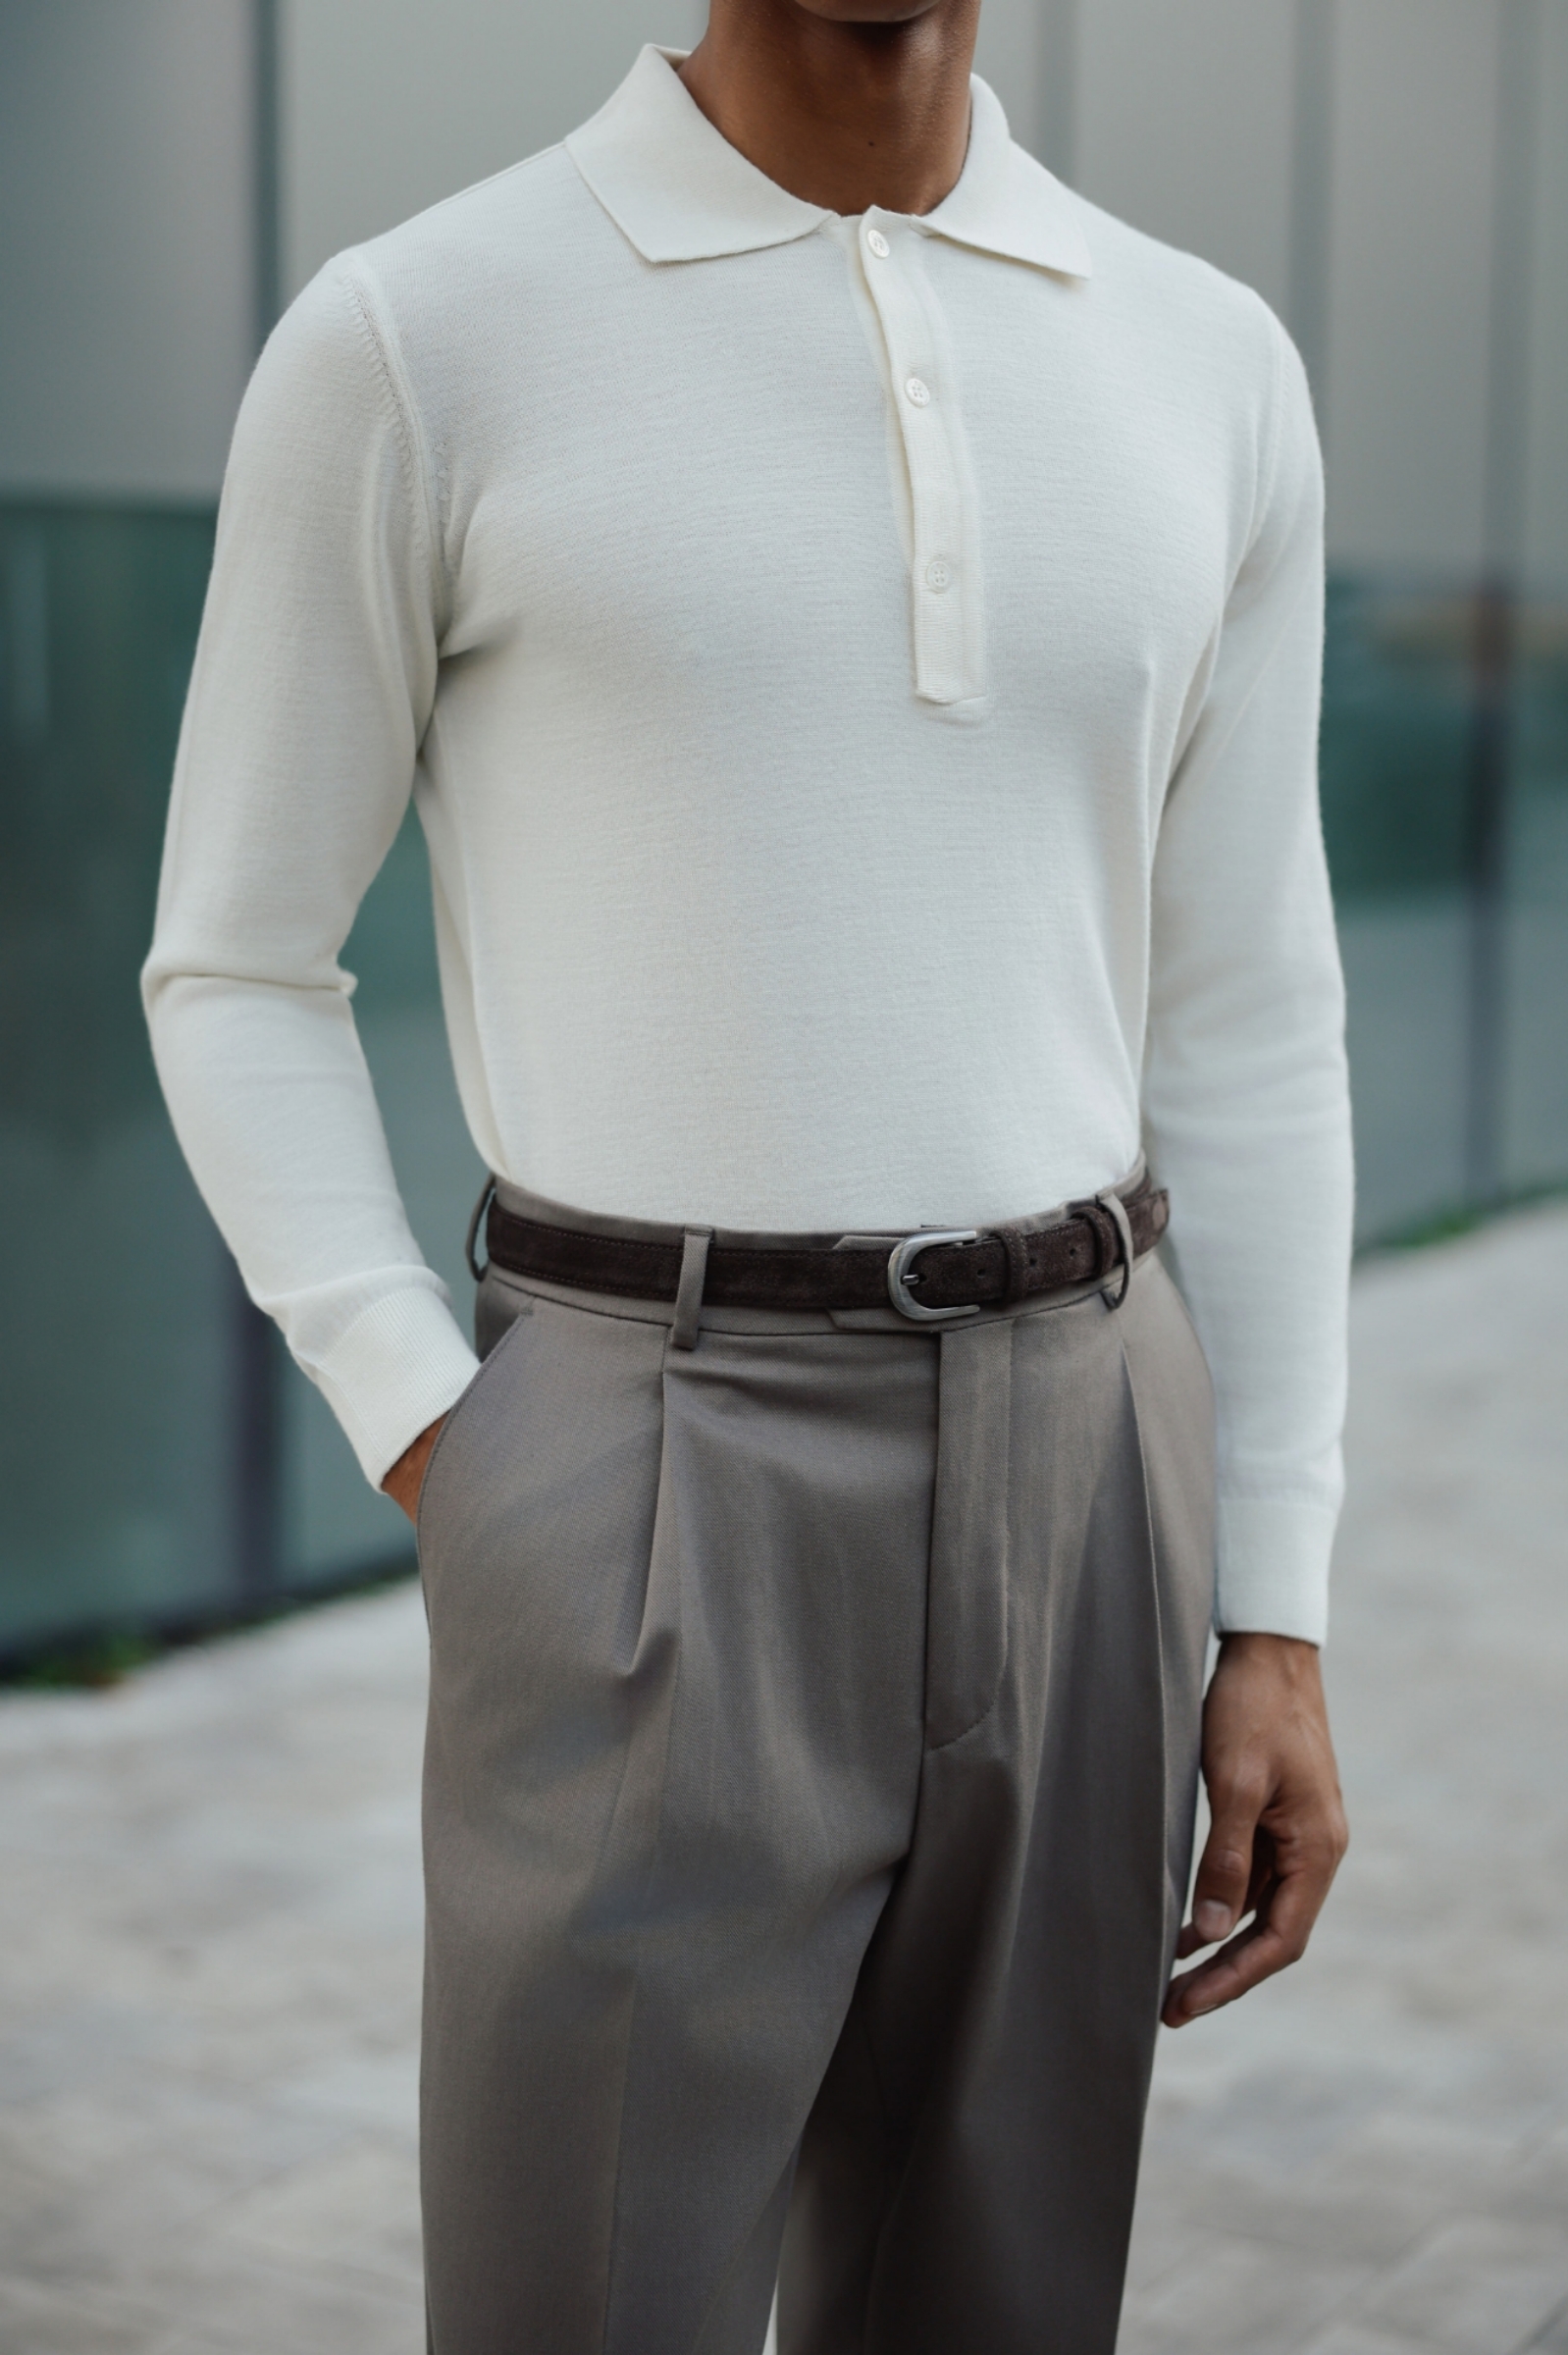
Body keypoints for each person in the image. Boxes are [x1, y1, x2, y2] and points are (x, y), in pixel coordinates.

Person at [143, 1, 1352, 2346]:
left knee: (1002, 2305)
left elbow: (1251, 1014)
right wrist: (451, 1438)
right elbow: (237, 960)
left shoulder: (1210, 361)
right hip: (648, 1454)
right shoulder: (417, 333)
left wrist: (1276, 1606)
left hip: (1095, 1458)